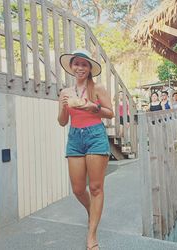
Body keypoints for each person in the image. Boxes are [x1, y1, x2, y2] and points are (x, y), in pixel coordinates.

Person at [58, 49, 114, 250]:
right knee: (78, 189)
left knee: (96, 187)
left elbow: (110, 113)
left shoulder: (97, 88)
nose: (80, 67)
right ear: (71, 67)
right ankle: (93, 212)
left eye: (84, 64)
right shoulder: (65, 92)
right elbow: (62, 122)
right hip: (74, 137)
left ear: (89, 68)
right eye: (76, 64)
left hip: (95, 136)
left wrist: (92, 107)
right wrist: (65, 107)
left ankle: (92, 235)